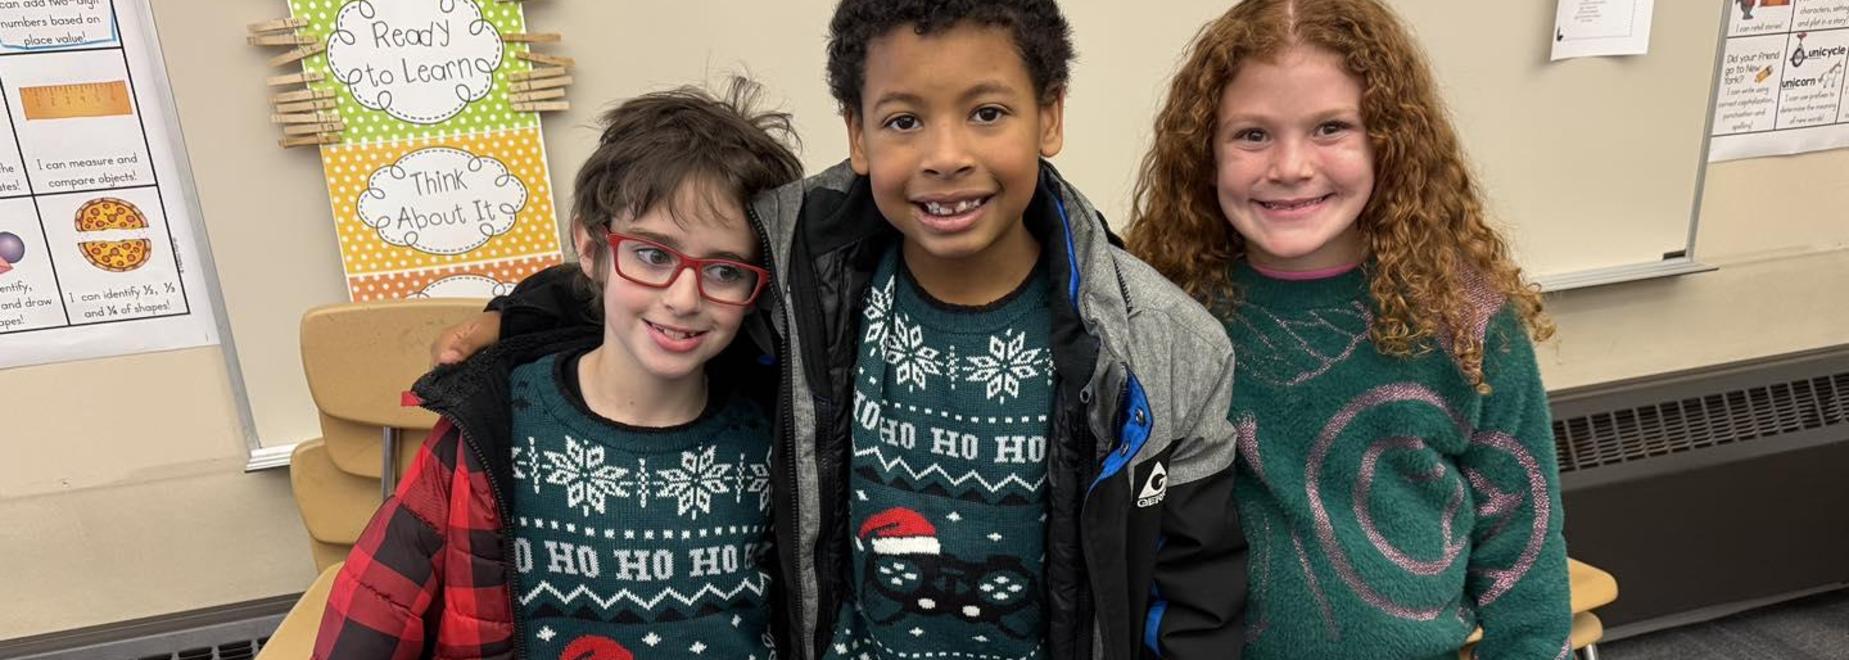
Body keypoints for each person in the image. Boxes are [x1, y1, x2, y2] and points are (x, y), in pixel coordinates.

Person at [431, 2, 1248, 657]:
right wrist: (516, 313)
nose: (945, 154)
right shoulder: (799, 262)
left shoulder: (1162, 344)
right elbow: (669, 261)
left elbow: (1195, 588)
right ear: (855, 133)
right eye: (902, 122)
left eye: (988, 112)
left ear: (1050, 117)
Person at [1124, 1, 1571, 658]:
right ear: (1204, 151)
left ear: (1388, 141)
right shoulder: (1170, 313)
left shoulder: (1467, 315)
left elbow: (1521, 542)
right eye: (1252, 135)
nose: (1289, 167)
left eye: (1330, 128)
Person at [314, 78, 804, 659]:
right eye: (652, 255)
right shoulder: (489, 427)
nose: (683, 296)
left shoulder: (777, 432)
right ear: (592, 251)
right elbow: (376, 607)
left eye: (725, 270)